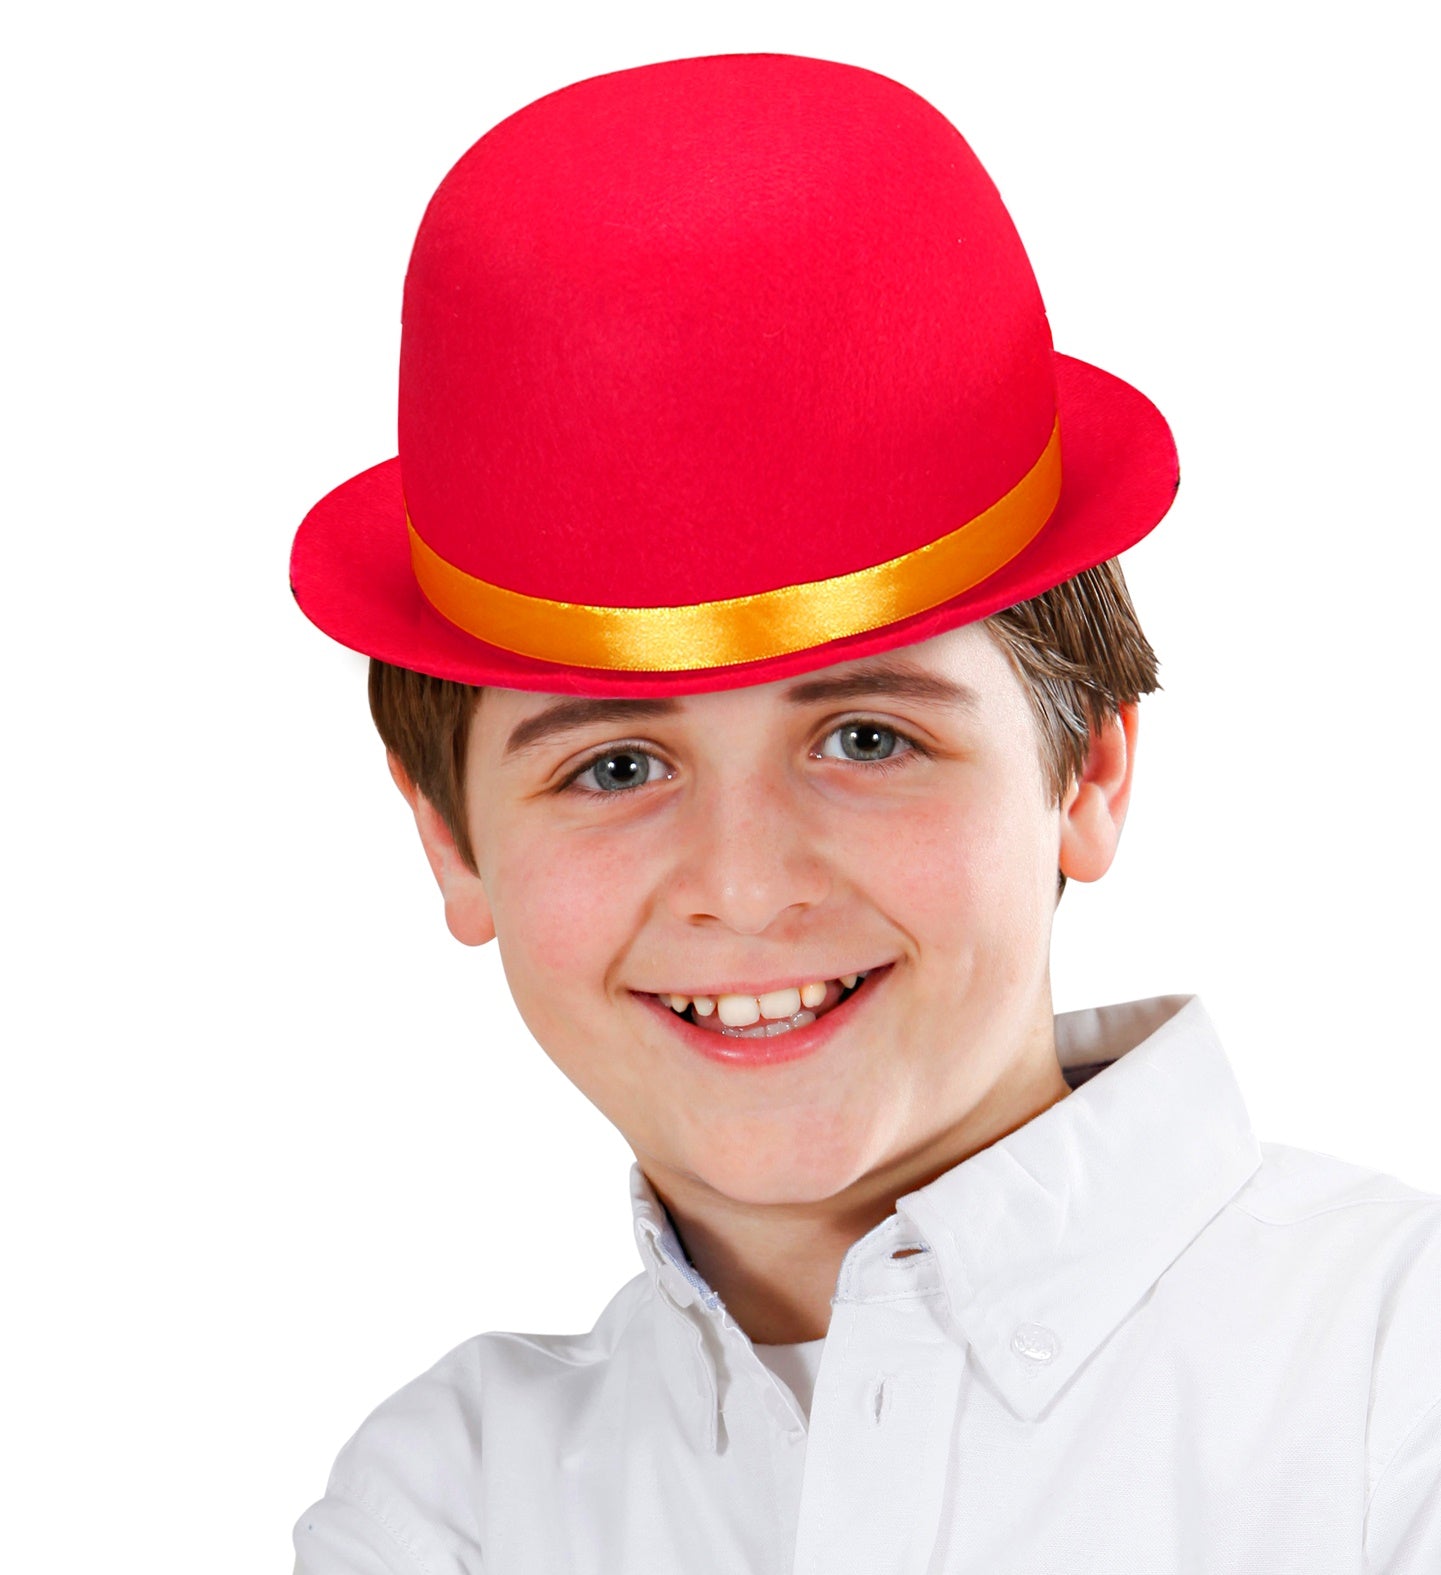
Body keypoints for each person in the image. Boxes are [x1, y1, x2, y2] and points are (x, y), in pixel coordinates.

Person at [288, 52, 1440, 1574]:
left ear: (1085, 768)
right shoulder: (451, 1505)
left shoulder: (1388, 1379)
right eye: (615, 768)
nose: (744, 886)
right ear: (449, 839)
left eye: (864, 736)